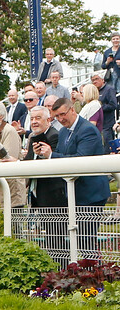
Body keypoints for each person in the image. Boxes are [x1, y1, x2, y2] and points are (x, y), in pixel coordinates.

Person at [33, 97, 111, 259]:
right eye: (57, 117)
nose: (61, 119)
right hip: (75, 193)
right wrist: (45, 155)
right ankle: (85, 275)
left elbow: (80, 160)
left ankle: (95, 278)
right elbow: (64, 156)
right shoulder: (63, 131)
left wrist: (51, 155)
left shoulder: (87, 129)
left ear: (72, 110)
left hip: (91, 194)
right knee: (81, 241)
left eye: (63, 114)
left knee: (86, 241)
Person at [90, 71, 119, 149]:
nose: (94, 81)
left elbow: (113, 105)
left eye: (96, 79)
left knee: (108, 147)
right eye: (93, 80)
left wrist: (99, 108)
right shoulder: (94, 92)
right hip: (97, 125)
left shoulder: (109, 89)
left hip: (107, 124)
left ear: (102, 79)